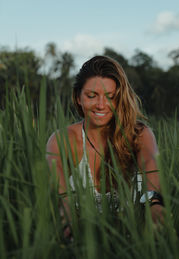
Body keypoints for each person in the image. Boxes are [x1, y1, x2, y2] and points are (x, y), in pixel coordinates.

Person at [46, 55, 164, 237]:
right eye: (92, 96)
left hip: (132, 241)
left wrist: (154, 206)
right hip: (80, 241)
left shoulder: (139, 135)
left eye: (111, 97)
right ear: (78, 98)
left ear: (120, 98)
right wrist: (68, 220)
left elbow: (150, 168)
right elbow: (60, 194)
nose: (101, 105)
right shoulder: (62, 139)